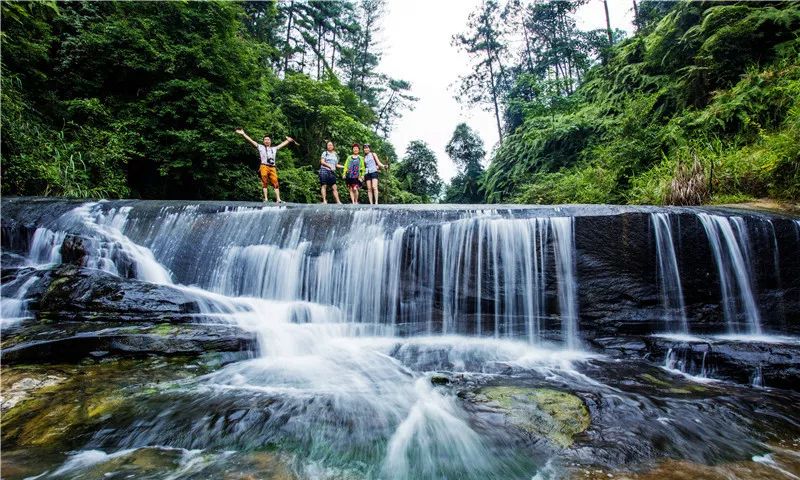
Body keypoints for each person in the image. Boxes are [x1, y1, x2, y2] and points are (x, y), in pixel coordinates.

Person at [236, 129, 295, 203]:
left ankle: (278, 199)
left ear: (270, 141)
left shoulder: (274, 149)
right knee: (264, 182)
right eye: (265, 140)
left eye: (268, 139)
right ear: (263, 141)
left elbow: (282, 144)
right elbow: (251, 141)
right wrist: (243, 134)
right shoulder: (260, 147)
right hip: (264, 166)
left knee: (276, 182)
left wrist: (288, 141)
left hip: (272, 167)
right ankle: (266, 199)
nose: (267, 141)